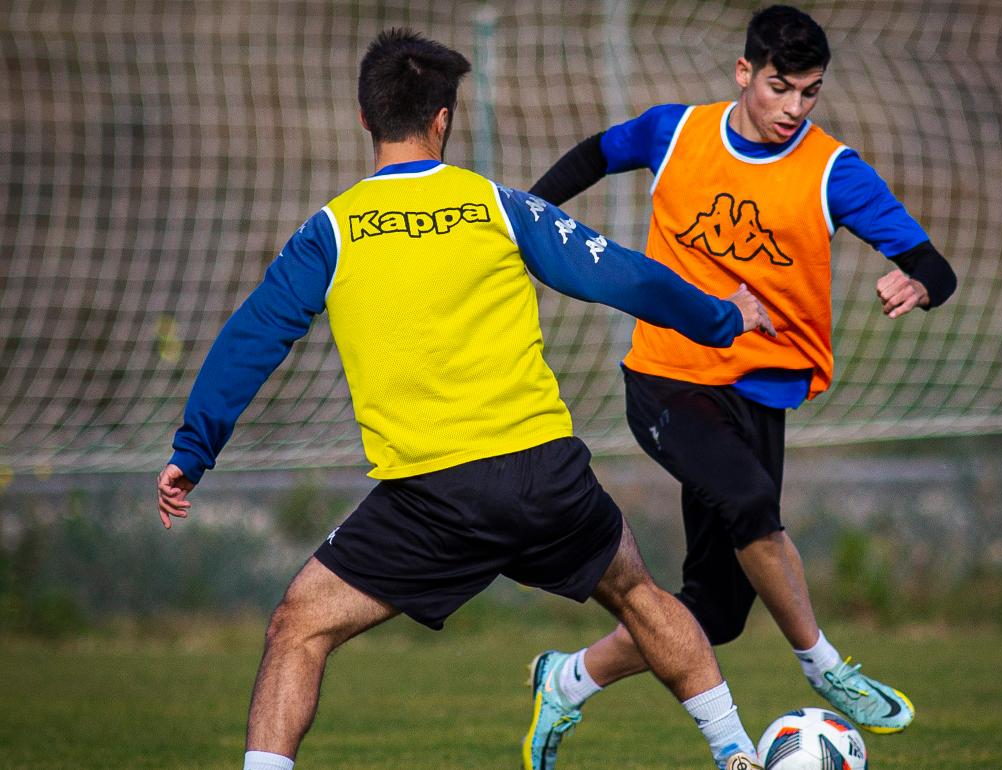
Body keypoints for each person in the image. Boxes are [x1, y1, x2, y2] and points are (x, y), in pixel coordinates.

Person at [156, 28, 776, 770]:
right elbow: (623, 274)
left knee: (299, 627)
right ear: (443, 118)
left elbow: (250, 340)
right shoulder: (498, 206)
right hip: (545, 476)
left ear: (365, 117)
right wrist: (722, 317)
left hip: (432, 496)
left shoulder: (331, 232)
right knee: (640, 596)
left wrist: (193, 450)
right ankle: (736, 750)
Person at [523, 3, 958, 762]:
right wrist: (524, 218)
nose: (793, 108)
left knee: (716, 614)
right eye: (779, 88)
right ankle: (824, 664)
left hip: (760, 392)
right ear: (744, 72)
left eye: (809, 92)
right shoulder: (676, 132)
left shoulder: (832, 170)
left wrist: (917, 284)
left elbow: (933, 265)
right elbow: (596, 153)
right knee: (753, 502)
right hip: (668, 376)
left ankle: (567, 680)